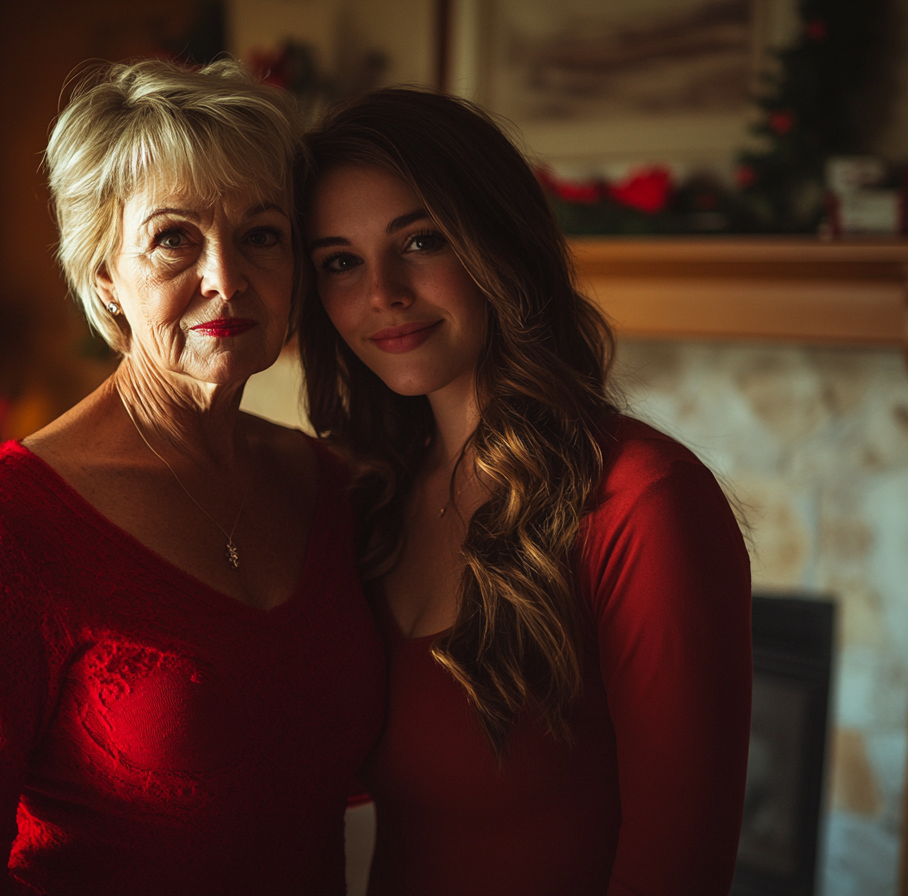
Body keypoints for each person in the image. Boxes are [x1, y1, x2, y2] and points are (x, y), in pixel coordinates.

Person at [0, 59, 385, 896]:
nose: (226, 279)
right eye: (173, 238)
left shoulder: (328, 485)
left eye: (261, 234)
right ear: (105, 279)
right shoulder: (5, 526)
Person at [299, 87, 753, 896]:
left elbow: (678, 871)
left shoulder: (644, 503)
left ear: (497, 242)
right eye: (340, 261)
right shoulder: (363, 500)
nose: (383, 293)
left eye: (421, 240)